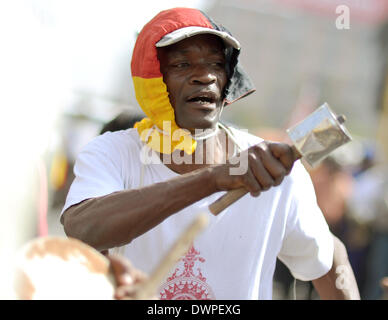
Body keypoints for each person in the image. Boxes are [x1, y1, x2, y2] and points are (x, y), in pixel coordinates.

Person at [60, 7, 359, 300]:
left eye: (216, 64)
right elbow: (83, 229)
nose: (205, 77)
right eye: (181, 65)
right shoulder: (113, 152)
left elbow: (331, 259)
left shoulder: (275, 171)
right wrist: (214, 179)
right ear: (151, 78)